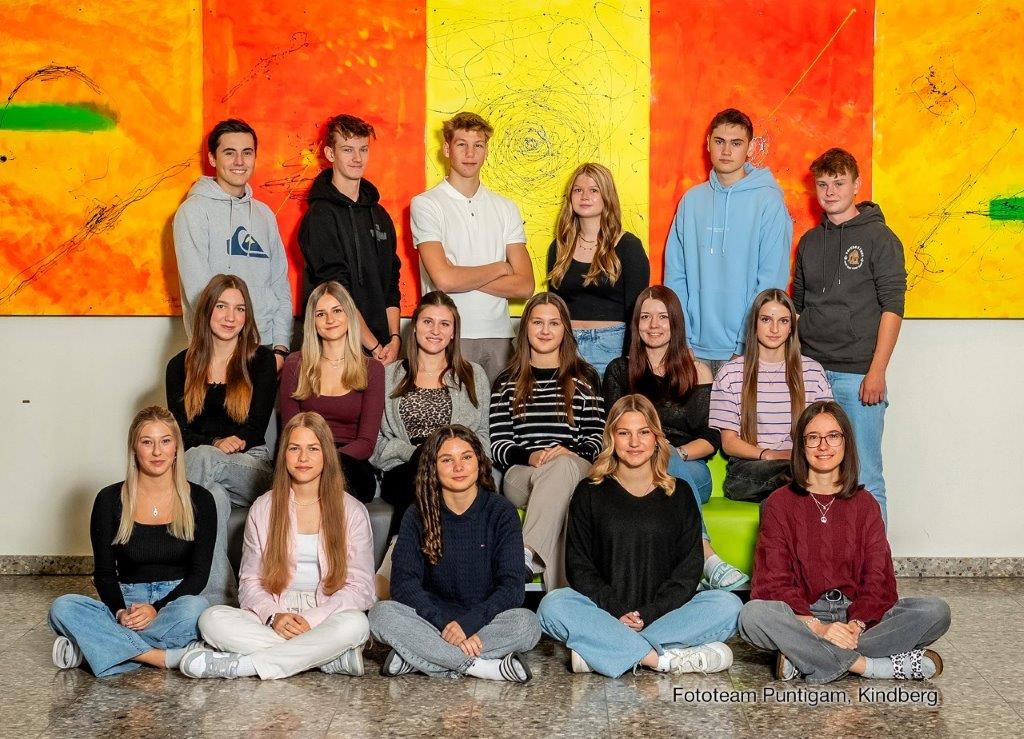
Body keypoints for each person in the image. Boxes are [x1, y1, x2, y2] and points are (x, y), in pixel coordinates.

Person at [738, 401, 950, 683]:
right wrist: (818, 628)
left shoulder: (866, 504)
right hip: (804, 617)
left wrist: (856, 625)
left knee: (935, 611)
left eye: (833, 436)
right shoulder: (779, 503)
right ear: (801, 446)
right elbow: (772, 581)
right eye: (813, 437)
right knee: (752, 616)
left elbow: (879, 578)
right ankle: (869, 666)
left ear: (846, 442)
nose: (823, 446)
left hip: (859, 617)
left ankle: (804, 658)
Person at [537, 395, 742, 677]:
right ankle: (659, 659)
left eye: (644, 432)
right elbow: (579, 568)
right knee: (552, 606)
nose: (634, 442)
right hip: (606, 614)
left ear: (656, 438)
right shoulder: (588, 491)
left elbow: (688, 571)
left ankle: (604, 652)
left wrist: (649, 613)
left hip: (665, 615)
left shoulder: (680, 493)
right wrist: (617, 610)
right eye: (624, 433)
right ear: (611, 438)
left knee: (728, 606)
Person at [181, 412, 375, 679]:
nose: (303, 458)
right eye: (294, 448)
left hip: (328, 611)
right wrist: (275, 617)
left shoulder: (352, 510)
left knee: (356, 624)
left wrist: (312, 620)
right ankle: (326, 657)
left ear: (326, 455)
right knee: (211, 620)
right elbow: (250, 582)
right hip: (277, 606)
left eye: (313, 449)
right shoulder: (263, 507)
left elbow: (361, 588)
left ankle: (246, 666)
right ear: (284, 454)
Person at [48, 407, 214, 677]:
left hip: (174, 604)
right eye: (147, 442)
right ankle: (161, 657)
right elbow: (104, 574)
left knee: (198, 610)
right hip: (127, 603)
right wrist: (119, 613)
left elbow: (199, 576)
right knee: (63, 607)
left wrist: (155, 609)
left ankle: (95, 649)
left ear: (176, 448)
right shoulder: (109, 500)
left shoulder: (201, 500)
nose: (157, 452)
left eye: (165, 441)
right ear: (134, 449)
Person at [369, 426, 540, 682]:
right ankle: (481, 667)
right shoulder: (417, 514)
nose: (458, 467)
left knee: (527, 624)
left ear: (479, 462)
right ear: (433, 468)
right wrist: (447, 625)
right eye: (447, 460)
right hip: (432, 621)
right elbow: (404, 586)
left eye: (466, 457)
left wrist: (468, 625)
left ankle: (419, 658)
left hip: (485, 621)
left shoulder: (501, 512)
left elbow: (512, 588)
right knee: (381, 615)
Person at [603, 285, 747, 590]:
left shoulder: (698, 371)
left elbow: (711, 437)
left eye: (662, 317)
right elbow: (613, 430)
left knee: (664, 455)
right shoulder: (619, 370)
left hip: (689, 468)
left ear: (675, 323)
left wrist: (674, 453)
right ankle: (702, 562)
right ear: (636, 324)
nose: (653, 325)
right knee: (655, 456)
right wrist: (652, 450)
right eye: (646, 317)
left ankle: (701, 555)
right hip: (632, 467)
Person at [794, 148, 907, 524]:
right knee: (811, 475)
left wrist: (877, 371)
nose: (830, 192)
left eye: (839, 183)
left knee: (865, 476)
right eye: (822, 184)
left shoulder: (880, 238)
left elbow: (893, 308)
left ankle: (874, 562)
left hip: (858, 376)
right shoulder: (809, 242)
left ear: (857, 185)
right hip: (811, 372)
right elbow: (798, 309)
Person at [166, 274, 278, 605]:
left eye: (240, 309)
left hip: (250, 467)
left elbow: (255, 428)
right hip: (205, 470)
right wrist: (215, 443)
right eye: (222, 307)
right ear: (206, 311)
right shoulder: (179, 366)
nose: (231, 317)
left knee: (202, 458)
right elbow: (179, 432)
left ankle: (164, 554)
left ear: (247, 316)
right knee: (211, 497)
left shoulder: (261, 360)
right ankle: (219, 599)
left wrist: (218, 447)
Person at [490, 292, 605, 590]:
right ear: (525, 328)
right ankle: (563, 603)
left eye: (553, 323)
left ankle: (526, 554)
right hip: (523, 474)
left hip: (574, 467)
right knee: (562, 493)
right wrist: (530, 456)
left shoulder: (586, 377)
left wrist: (567, 452)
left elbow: (596, 440)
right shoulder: (506, 381)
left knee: (562, 471)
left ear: (565, 330)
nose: (545, 330)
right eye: (537, 322)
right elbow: (498, 445)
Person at [664, 108, 792, 376]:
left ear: (749, 148)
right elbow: (675, 276)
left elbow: (771, 282)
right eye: (719, 141)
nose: (726, 151)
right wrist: (682, 341)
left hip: (747, 351)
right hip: (692, 350)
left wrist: (744, 345)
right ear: (708, 142)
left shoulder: (768, 202)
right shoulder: (691, 201)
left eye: (736, 143)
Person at [411, 111, 535, 383]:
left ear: (486, 151)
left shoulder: (506, 208)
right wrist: (500, 268)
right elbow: (443, 280)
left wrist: (459, 275)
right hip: (448, 333)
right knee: (451, 411)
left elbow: (525, 286)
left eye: (478, 145)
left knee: (499, 411)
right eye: (461, 144)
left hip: (499, 336)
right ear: (447, 149)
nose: (470, 153)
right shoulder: (426, 204)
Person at [173, 118, 292, 370]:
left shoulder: (264, 215)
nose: (239, 161)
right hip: (217, 353)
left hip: (266, 350)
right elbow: (199, 292)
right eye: (229, 153)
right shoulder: (193, 212)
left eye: (247, 153)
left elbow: (280, 286)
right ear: (212, 158)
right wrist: (223, 354)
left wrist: (280, 347)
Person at [371, 291, 490, 542]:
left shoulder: (473, 375)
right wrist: (416, 454)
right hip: (404, 470)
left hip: (458, 469)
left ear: (453, 332)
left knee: (452, 481)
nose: (435, 330)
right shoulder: (389, 375)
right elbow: (376, 440)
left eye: (444, 324)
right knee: (420, 477)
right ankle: (402, 554)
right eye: (428, 322)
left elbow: (482, 434)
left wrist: (453, 458)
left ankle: (399, 551)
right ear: (414, 326)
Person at [709, 288, 832, 503]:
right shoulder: (731, 373)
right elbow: (729, 443)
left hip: (801, 464)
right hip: (749, 469)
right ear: (754, 324)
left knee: (804, 475)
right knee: (797, 476)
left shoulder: (812, 372)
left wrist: (797, 457)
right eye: (766, 320)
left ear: (791, 327)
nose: (774, 329)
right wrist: (769, 454)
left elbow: (826, 432)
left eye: (783, 321)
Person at [298, 114, 402, 364]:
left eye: (363, 149)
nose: (357, 158)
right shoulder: (319, 216)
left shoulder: (379, 215)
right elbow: (337, 290)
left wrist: (395, 338)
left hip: (383, 350)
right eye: (347, 149)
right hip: (336, 351)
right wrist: (373, 346)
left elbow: (391, 284)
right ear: (330, 154)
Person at [279, 281, 385, 504]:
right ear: (312, 321)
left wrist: (326, 460)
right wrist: (311, 458)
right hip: (302, 458)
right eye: (321, 314)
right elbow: (290, 433)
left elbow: (366, 442)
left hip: (350, 461)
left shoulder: (372, 369)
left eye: (337, 311)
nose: (330, 319)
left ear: (349, 315)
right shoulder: (295, 364)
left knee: (341, 480)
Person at [547, 162, 649, 376]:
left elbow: (637, 312)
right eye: (578, 190)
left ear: (607, 196)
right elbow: (554, 307)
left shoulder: (629, 246)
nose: (585, 196)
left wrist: (628, 362)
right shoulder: (559, 248)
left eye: (594, 190)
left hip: (612, 346)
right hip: (566, 346)